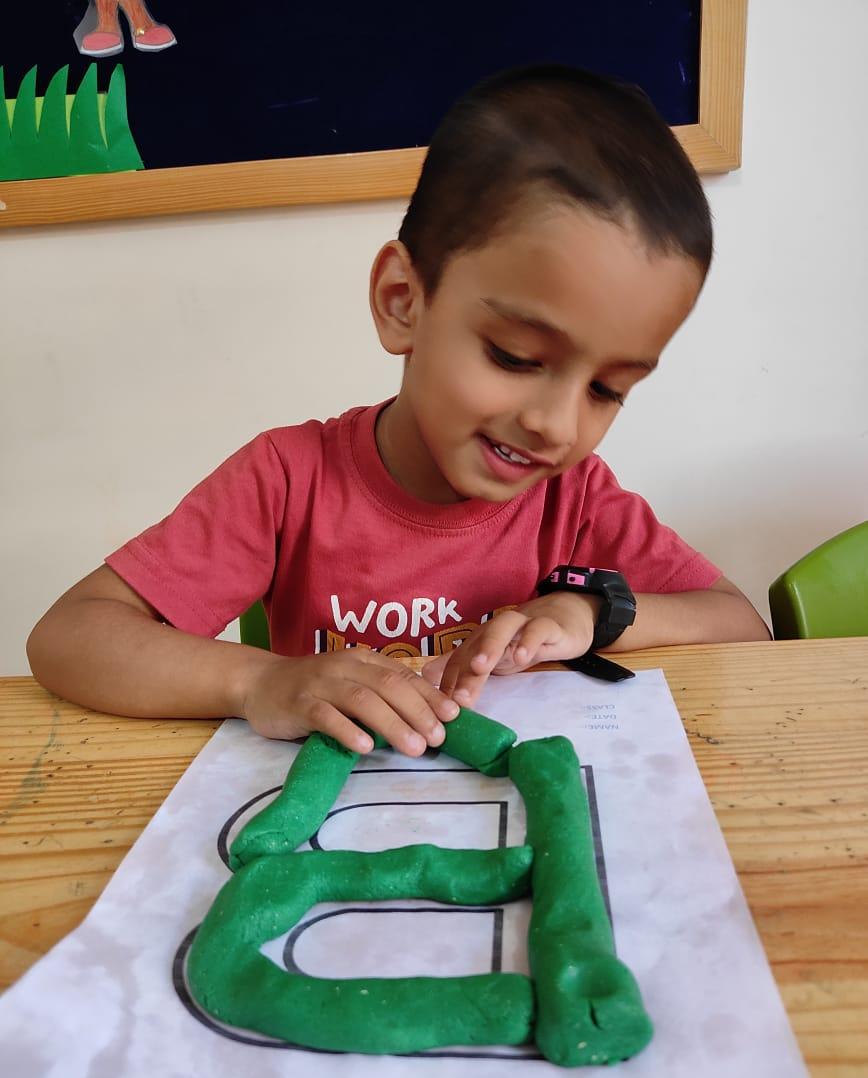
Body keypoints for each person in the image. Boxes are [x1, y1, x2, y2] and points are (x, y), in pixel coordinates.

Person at [27, 65, 769, 759]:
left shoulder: (574, 497)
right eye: (515, 356)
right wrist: (258, 681)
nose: (558, 425)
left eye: (607, 389)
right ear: (403, 302)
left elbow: (741, 625)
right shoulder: (288, 479)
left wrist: (591, 614)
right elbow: (69, 636)